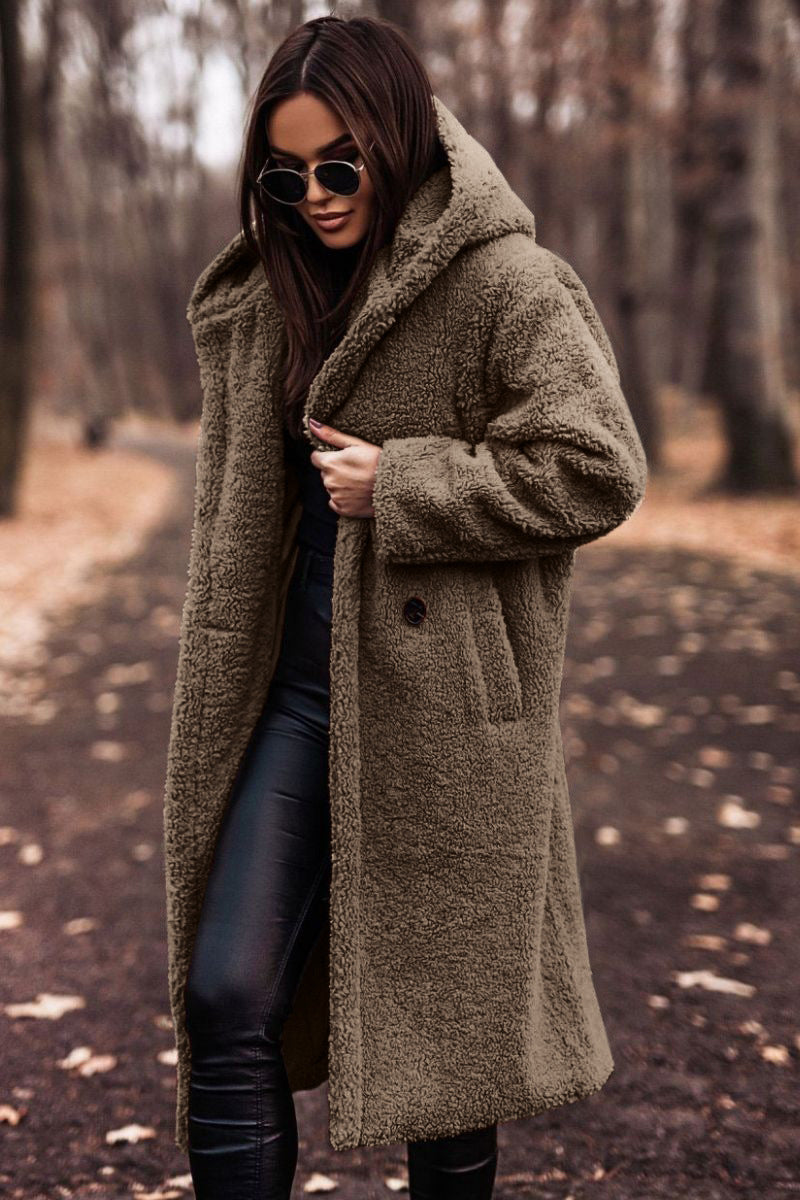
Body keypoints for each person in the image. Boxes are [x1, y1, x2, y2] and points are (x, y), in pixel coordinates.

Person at [165, 13, 647, 1200]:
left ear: (396, 140)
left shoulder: (504, 283)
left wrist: (406, 483)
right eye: (285, 178)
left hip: (447, 714)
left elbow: (597, 467)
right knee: (225, 994)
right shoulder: (264, 296)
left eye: (340, 168)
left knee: (452, 1056)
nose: (316, 199)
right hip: (291, 698)